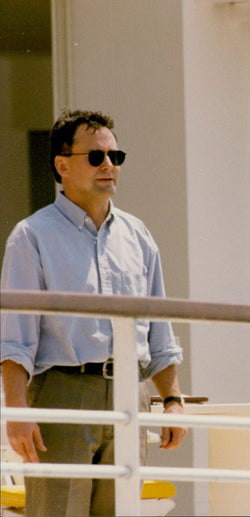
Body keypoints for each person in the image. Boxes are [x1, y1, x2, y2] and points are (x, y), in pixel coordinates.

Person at [1, 109, 187, 516]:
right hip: (63, 395)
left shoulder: (139, 236)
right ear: (62, 165)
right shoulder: (31, 237)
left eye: (115, 157)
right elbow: (15, 338)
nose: (108, 165)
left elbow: (158, 330)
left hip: (129, 396)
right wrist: (16, 413)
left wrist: (171, 399)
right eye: (96, 157)